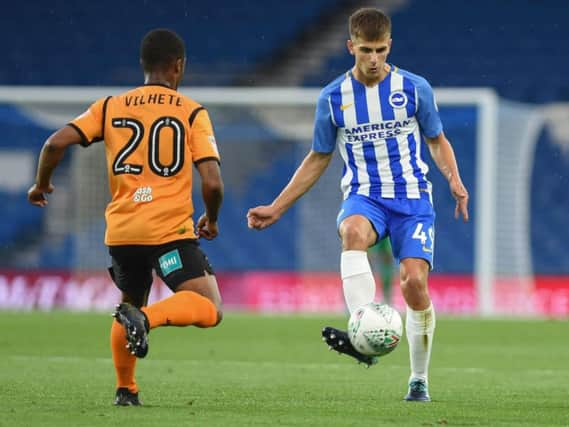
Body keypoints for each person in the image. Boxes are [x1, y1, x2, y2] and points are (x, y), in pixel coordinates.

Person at [247, 8, 469, 402]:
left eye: (380, 50)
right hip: (365, 195)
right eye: (365, 50)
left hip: (413, 198)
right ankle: (362, 331)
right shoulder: (333, 98)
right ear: (351, 46)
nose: (373, 59)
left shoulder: (415, 88)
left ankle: (418, 378)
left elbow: (436, 139)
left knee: (414, 283)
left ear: (389, 46)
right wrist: (278, 206)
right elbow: (318, 156)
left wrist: (453, 178)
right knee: (351, 231)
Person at [28, 29, 224, 406]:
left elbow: (54, 143)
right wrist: (211, 219)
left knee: (129, 301)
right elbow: (212, 183)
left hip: (122, 233)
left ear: (143, 66)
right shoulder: (191, 112)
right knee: (209, 307)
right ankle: (147, 320)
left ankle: (126, 390)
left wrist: (41, 185)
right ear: (178, 66)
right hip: (168, 234)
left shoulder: (110, 106)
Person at [368, 237, 394, 304]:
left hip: (386, 231)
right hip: (371, 229)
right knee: (366, 259)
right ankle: (365, 298)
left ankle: (387, 298)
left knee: (387, 259)